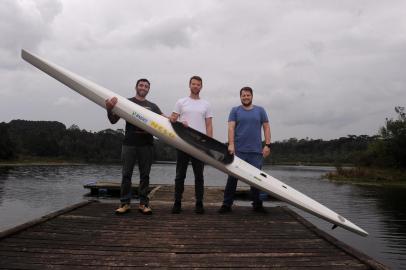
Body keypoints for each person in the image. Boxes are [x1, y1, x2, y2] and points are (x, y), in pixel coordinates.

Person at [105, 78, 163, 215]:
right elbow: (113, 120)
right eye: (141, 85)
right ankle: (125, 203)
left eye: (146, 86)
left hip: (146, 145)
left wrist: (176, 121)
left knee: (145, 176)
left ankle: (144, 204)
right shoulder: (126, 102)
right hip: (129, 144)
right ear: (136, 87)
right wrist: (109, 109)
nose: (143, 87)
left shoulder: (153, 106)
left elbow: (165, 121)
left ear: (149, 89)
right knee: (126, 175)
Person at [218, 86, 271, 213]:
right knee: (232, 178)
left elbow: (266, 127)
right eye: (243, 95)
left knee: (256, 179)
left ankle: (257, 204)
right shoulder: (235, 110)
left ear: (252, 96)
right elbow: (231, 128)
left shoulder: (260, 110)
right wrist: (231, 144)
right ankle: (226, 204)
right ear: (240, 97)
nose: (246, 97)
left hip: (256, 152)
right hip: (238, 151)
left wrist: (268, 145)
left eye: (248, 95)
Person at [170, 75, 213, 214]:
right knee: (179, 175)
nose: (195, 86)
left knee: (199, 176)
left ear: (201, 86)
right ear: (189, 85)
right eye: (193, 84)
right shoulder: (181, 102)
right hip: (183, 143)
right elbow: (172, 119)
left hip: (199, 145)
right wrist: (179, 122)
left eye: (198, 84)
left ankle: (199, 204)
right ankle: (177, 203)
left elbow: (208, 125)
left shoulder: (206, 104)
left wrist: (209, 144)